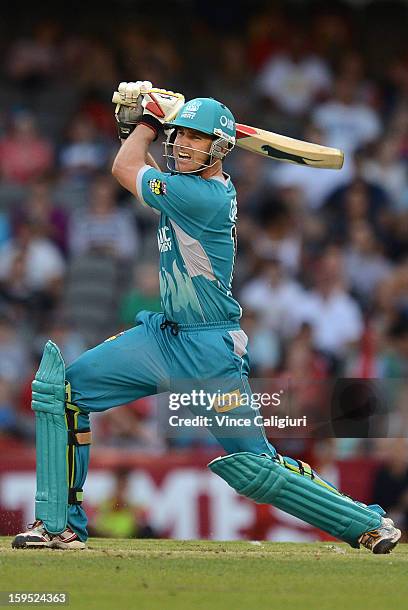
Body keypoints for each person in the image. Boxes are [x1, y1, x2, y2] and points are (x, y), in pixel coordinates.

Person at [12, 81, 400, 553]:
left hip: (209, 349)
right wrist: (135, 128)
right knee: (64, 393)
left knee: (253, 466)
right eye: (178, 136)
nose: (181, 145)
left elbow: (125, 167)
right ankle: (59, 526)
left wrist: (148, 123)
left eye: (194, 138)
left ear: (219, 149)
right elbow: (142, 170)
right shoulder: (183, 188)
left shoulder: (207, 197)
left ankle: (366, 523)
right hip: (164, 338)